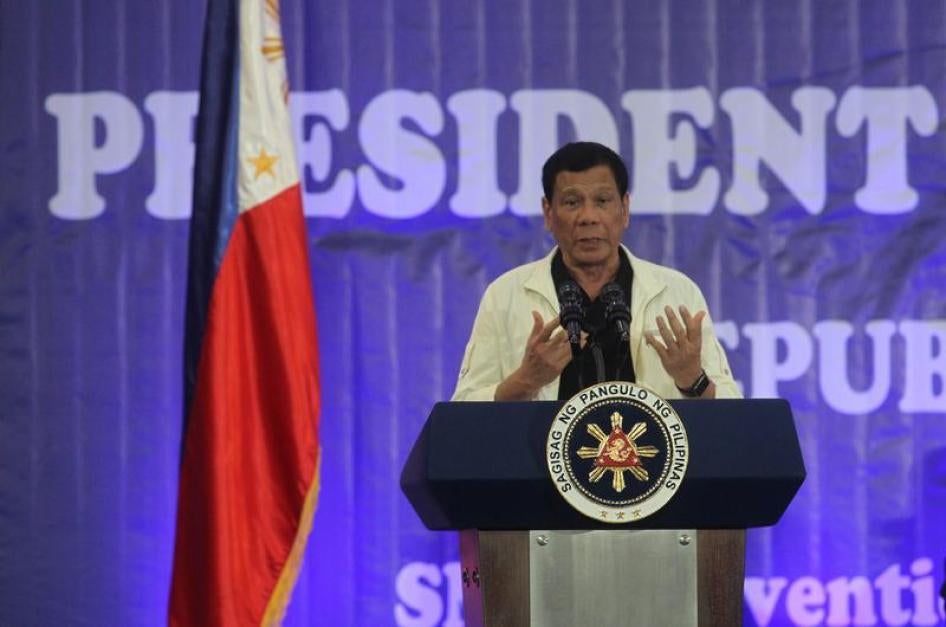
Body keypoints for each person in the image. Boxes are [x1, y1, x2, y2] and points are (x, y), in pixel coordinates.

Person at [452, 141, 740, 402]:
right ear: (548, 213)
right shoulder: (505, 295)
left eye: (602, 201)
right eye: (572, 202)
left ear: (624, 208)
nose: (588, 217)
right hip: (539, 446)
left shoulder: (677, 292)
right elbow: (463, 410)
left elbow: (733, 411)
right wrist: (525, 381)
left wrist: (692, 380)